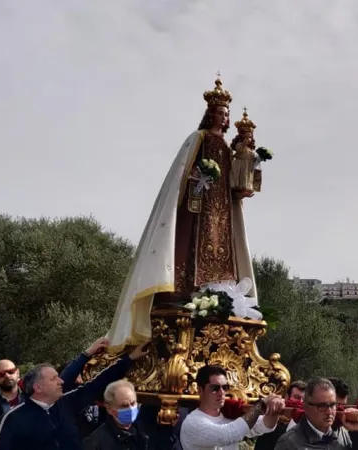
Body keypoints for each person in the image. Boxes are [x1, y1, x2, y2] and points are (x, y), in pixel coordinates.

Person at [106, 74, 267, 351]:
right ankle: (184, 291)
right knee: (189, 248)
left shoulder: (229, 149)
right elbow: (182, 175)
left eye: (225, 114)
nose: (223, 119)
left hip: (222, 215)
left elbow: (238, 184)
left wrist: (248, 161)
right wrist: (198, 181)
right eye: (219, 113)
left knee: (222, 253)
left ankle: (218, 293)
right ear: (210, 114)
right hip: (197, 211)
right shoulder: (199, 138)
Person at [0, 342, 149, 450]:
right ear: (38, 387)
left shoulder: (66, 403)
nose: (60, 381)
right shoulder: (15, 418)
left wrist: (128, 359)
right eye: (53, 379)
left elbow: (97, 384)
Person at [179, 365, 284, 450]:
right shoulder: (192, 422)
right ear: (200, 391)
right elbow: (228, 435)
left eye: (225, 387)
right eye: (215, 388)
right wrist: (261, 404)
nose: (222, 393)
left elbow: (264, 426)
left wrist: (275, 408)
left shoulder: (228, 415)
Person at [274, 378, 358, 450]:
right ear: (306, 407)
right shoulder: (289, 443)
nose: (329, 412)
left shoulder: (344, 435)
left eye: (333, 405)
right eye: (322, 406)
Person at [82, 380, 147, 450]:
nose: (130, 409)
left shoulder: (143, 435)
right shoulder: (94, 443)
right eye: (124, 406)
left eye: (133, 403)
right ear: (109, 409)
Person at [253, 380, 306, 450]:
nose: (301, 402)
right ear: (287, 397)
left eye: (304, 399)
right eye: (297, 397)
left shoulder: (305, 420)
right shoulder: (273, 408)